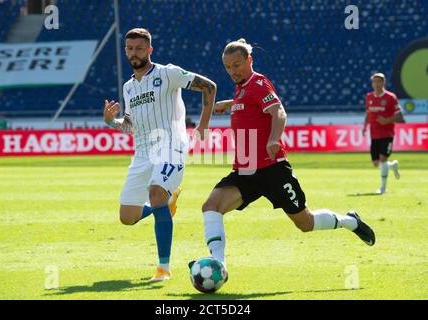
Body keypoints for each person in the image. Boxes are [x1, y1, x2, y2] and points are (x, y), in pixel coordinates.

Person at [190, 39, 375, 275]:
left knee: (305, 223)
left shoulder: (258, 83)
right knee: (211, 206)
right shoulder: (243, 88)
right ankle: (219, 265)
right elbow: (250, 107)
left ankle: (351, 222)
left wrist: (274, 139)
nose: (232, 71)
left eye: (237, 65)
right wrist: (232, 103)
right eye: (227, 67)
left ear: (250, 60)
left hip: (272, 170)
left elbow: (278, 111)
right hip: (245, 171)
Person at [104, 28, 216, 281]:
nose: (135, 53)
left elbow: (209, 86)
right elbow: (131, 127)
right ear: (125, 51)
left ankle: (163, 269)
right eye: (130, 48)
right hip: (142, 153)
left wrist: (203, 125)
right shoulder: (129, 87)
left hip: (170, 146)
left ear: (150, 50)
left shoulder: (168, 73)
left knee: (155, 194)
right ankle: (169, 201)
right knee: (127, 217)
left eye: (140, 48)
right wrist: (112, 121)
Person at [362, 73, 403, 194]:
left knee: (383, 158)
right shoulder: (369, 96)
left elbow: (400, 115)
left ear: (383, 82)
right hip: (374, 134)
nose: (376, 84)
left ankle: (383, 188)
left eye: (378, 81)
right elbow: (368, 113)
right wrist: (365, 126)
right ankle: (392, 166)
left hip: (387, 134)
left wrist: (387, 120)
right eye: (374, 81)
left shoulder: (390, 97)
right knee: (376, 163)